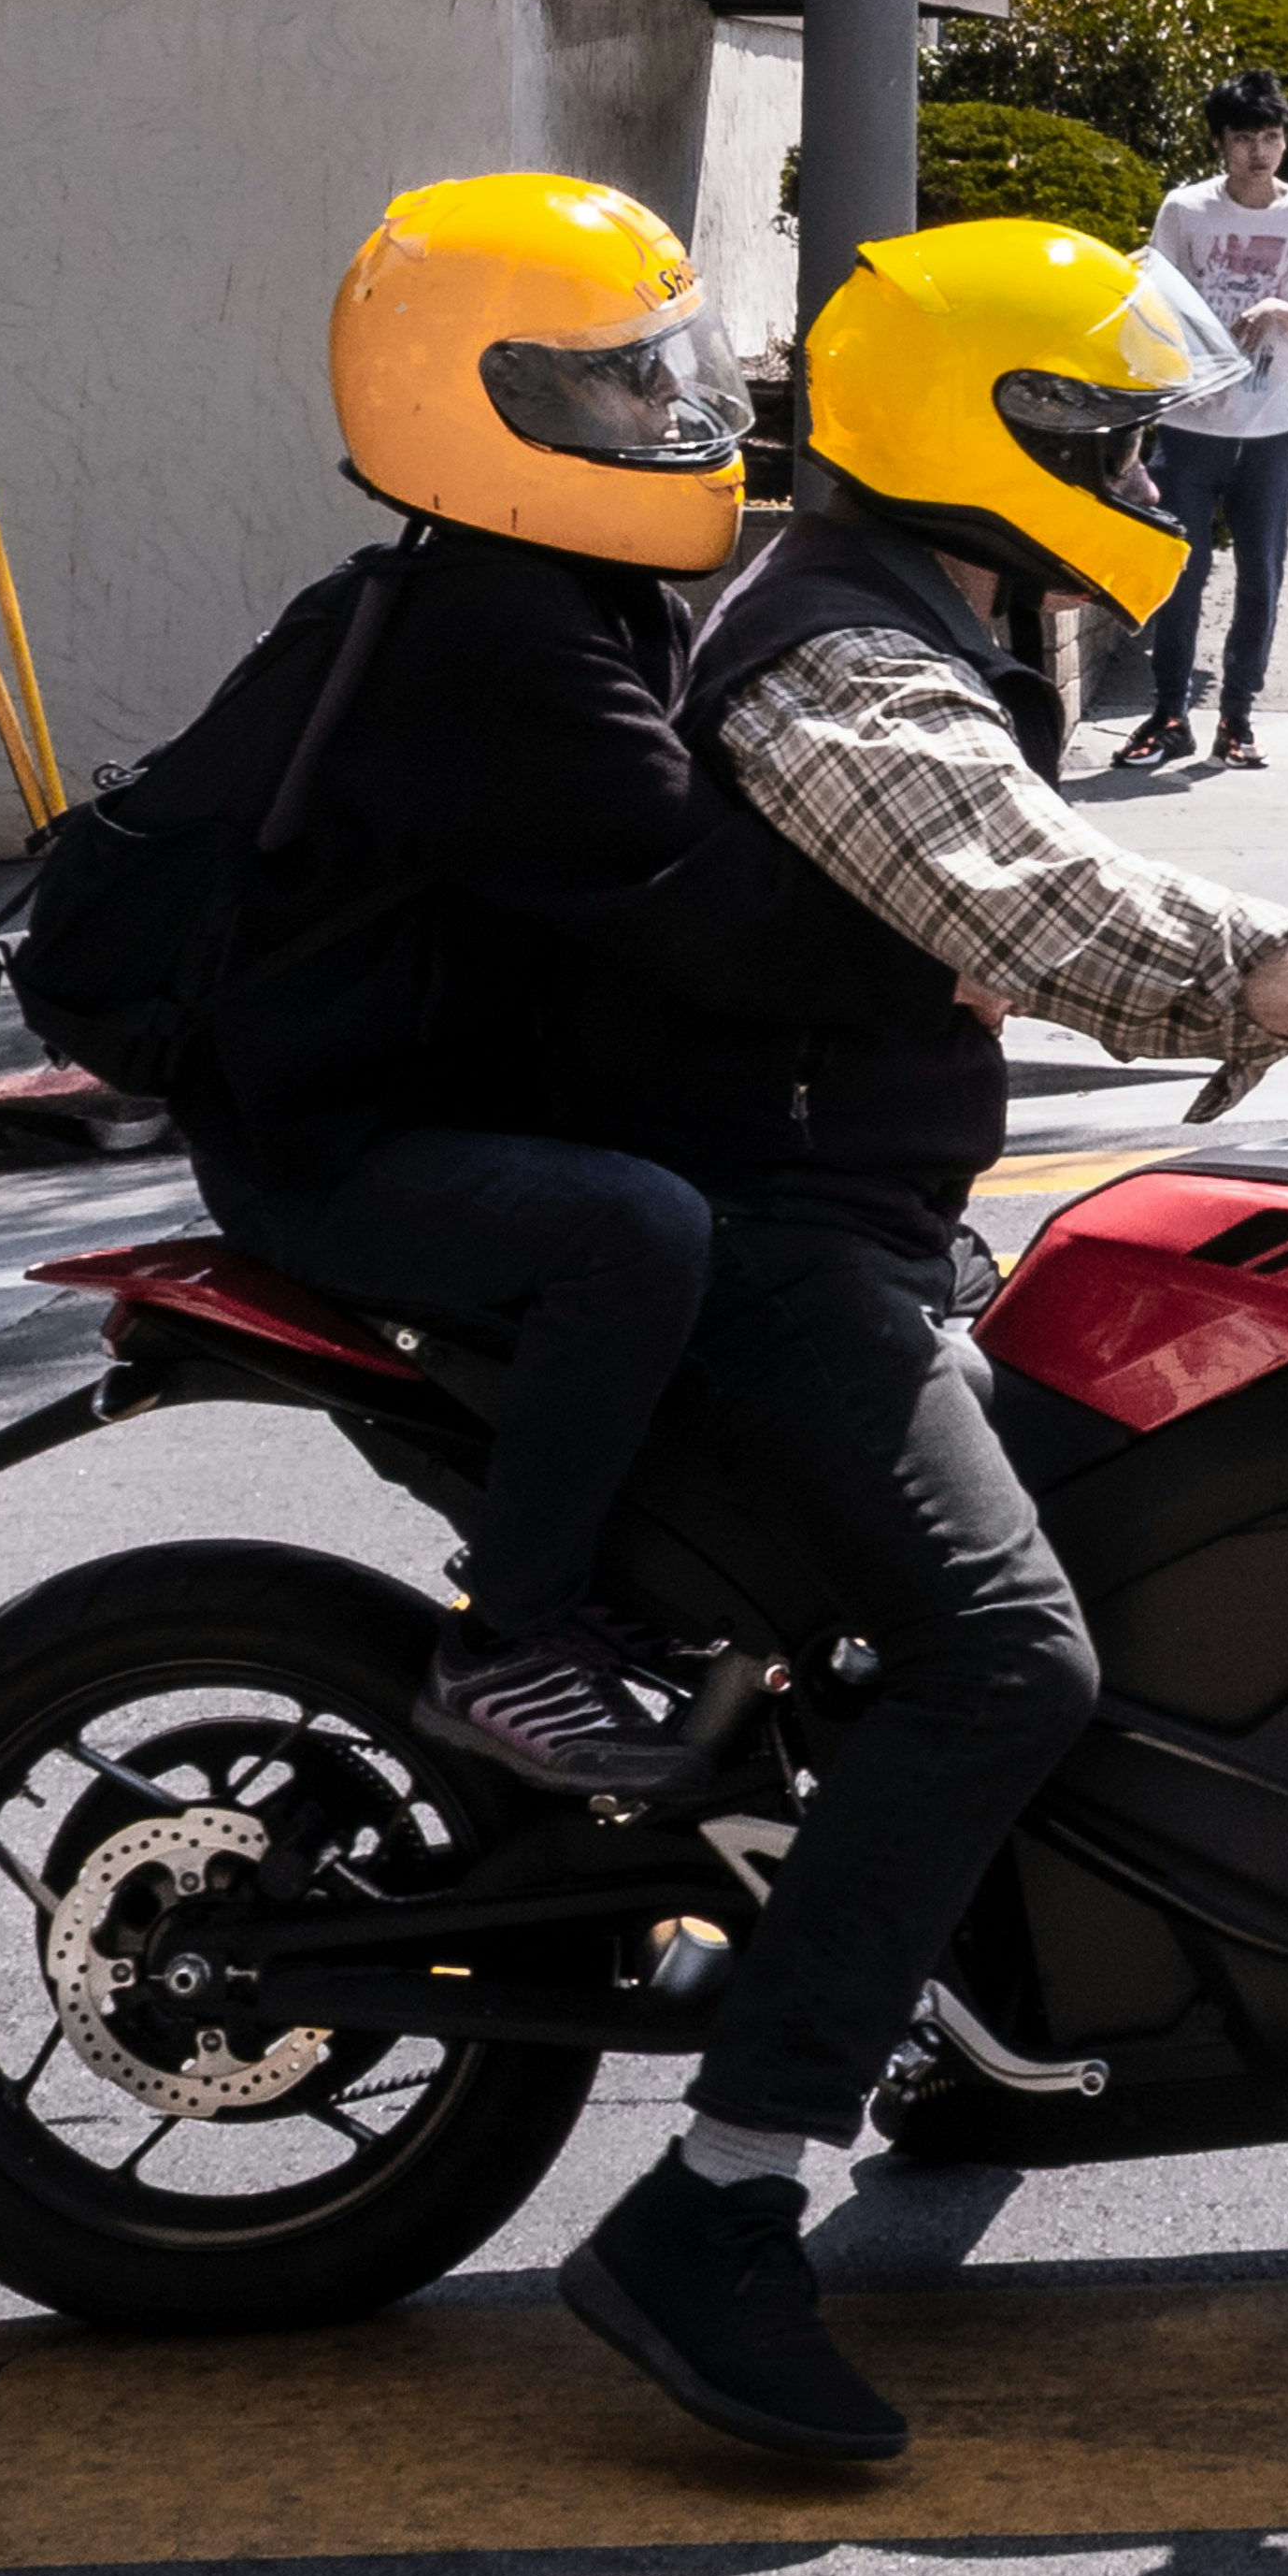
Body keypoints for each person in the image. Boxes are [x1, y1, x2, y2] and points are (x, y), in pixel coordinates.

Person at [534, 210, 1288, 2472]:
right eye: (1100, 433)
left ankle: (956, 2016)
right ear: (979, 433)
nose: (1144, 478)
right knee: (1005, 1656)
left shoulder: (917, 623)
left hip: (842, 1224)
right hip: (784, 1255)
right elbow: (1057, 915)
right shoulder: (841, 669)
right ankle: (716, 2204)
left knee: (1105, 1499)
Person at [172, 170, 812, 1809]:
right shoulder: (500, 636)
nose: (667, 409)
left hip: (406, 1090)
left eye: (665, 367)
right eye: (612, 381)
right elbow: (701, 905)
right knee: (635, 1231)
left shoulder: (553, 594)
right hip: (332, 1147)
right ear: (478, 403)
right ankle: (512, 1642)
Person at [1109, 74, 1288, 776]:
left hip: (1272, 426)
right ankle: (1169, 715)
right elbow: (1156, 307)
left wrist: (1281, 313)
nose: (1259, 153)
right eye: (1243, 139)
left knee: (1261, 574)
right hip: (1190, 425)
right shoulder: (1186, 212)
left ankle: (1238, 717)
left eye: (1270, 138)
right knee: (1180, 570)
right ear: (1220, 143)